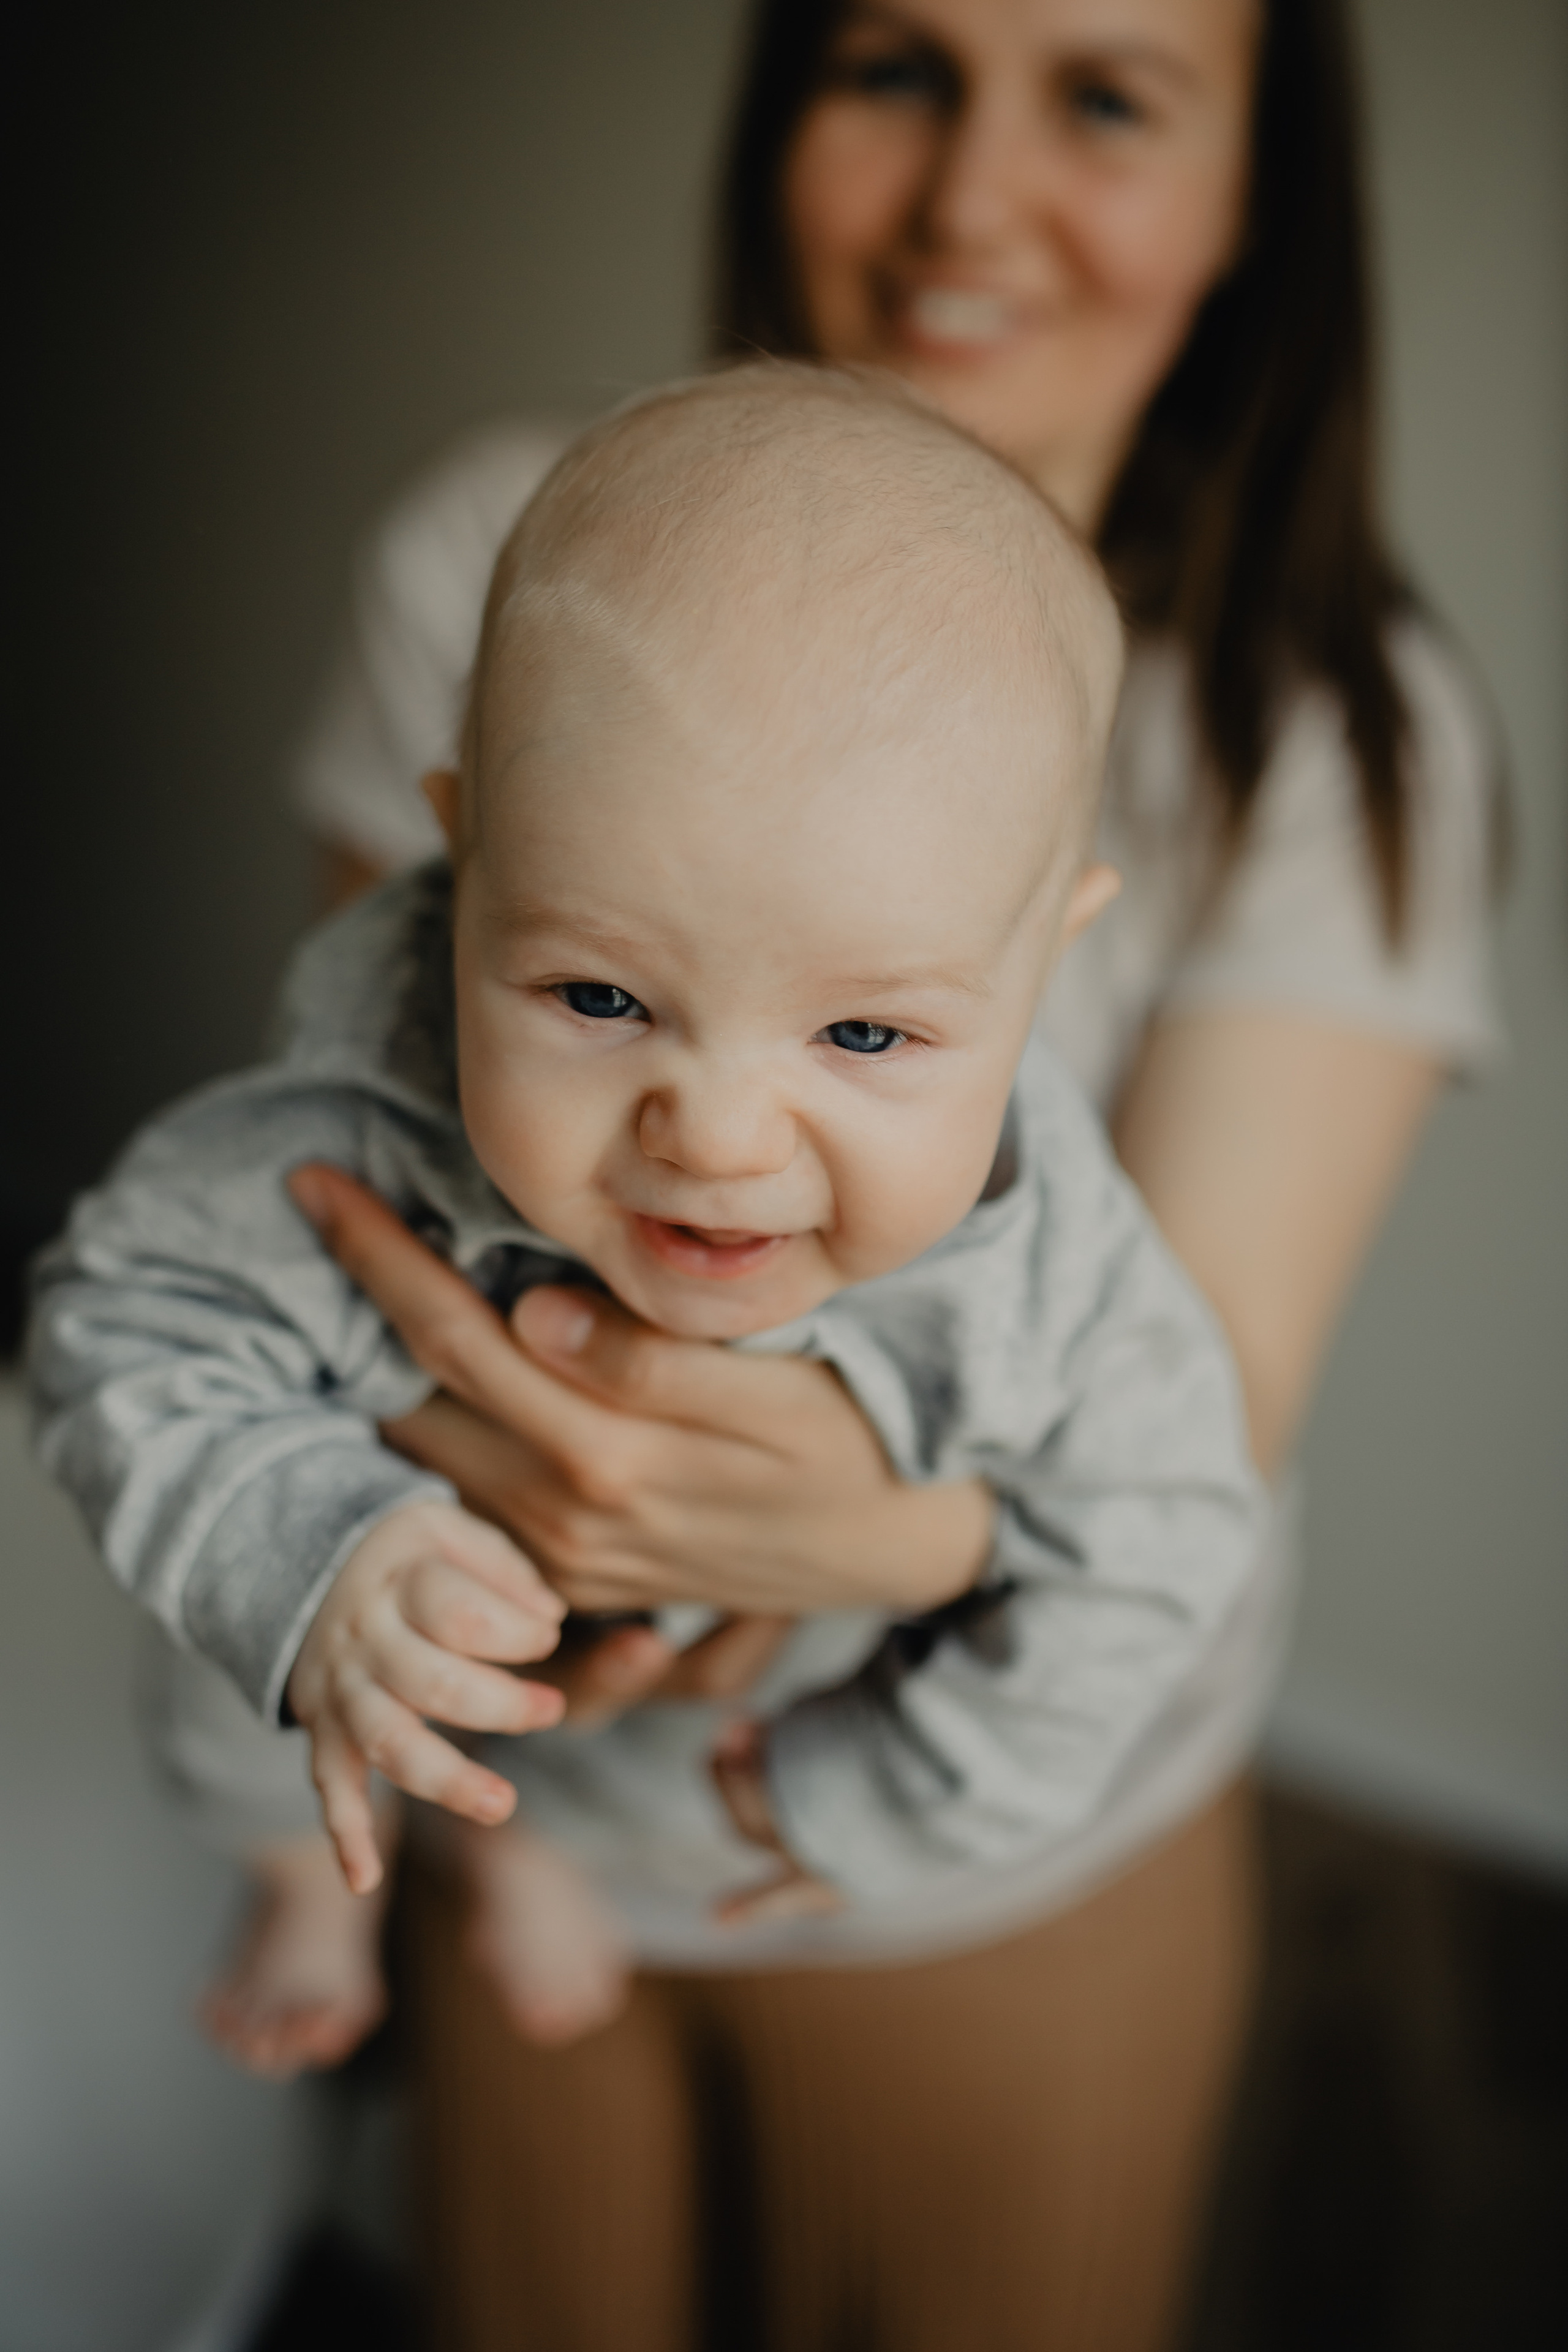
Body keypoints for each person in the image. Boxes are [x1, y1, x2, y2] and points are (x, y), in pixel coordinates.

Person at [104, 0, 1510, 2342]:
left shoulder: (1333, 740)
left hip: (985, 1827)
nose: (970, 198)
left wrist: (832, 1586)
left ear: (1258, 187)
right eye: (895, 67)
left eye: (1105, 96)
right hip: (517, 1797)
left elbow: (1187, 1438)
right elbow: (361, 1186)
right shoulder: (494, 561)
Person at [34, 364, 1261, 2096]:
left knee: (680, 1764)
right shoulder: (355, 1132)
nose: (719, 1138)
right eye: (602, 995)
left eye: (864, 1036)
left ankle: (531, 1849)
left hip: (728, 1721)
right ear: (465, 863)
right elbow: (116, 1318)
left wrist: (896, 1796)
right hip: (398, 1641)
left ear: (1042, 962)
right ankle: (318, 1878)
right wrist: (316, 1546)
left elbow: (1170, 1532)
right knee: (245, 1677)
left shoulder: (1057, 1262)